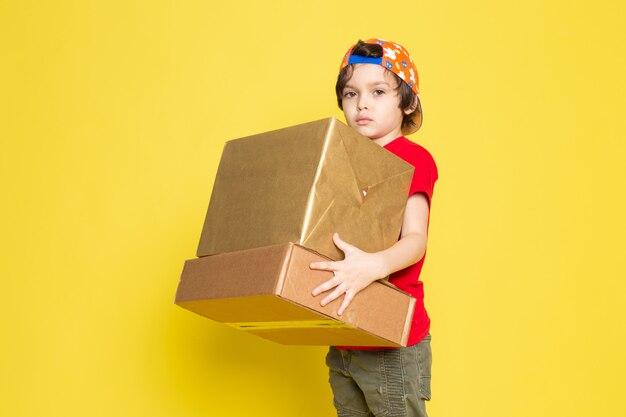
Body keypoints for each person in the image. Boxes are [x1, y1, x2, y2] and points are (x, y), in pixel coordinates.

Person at [309, 39, 438, 417]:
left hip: (391, 341)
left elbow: (415, 240)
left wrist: (373, 267)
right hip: (345, 336)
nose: (361, 104)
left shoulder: (413, 159)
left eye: (378, 91)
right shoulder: (342, 160)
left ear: (408, 103)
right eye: (351, 93)